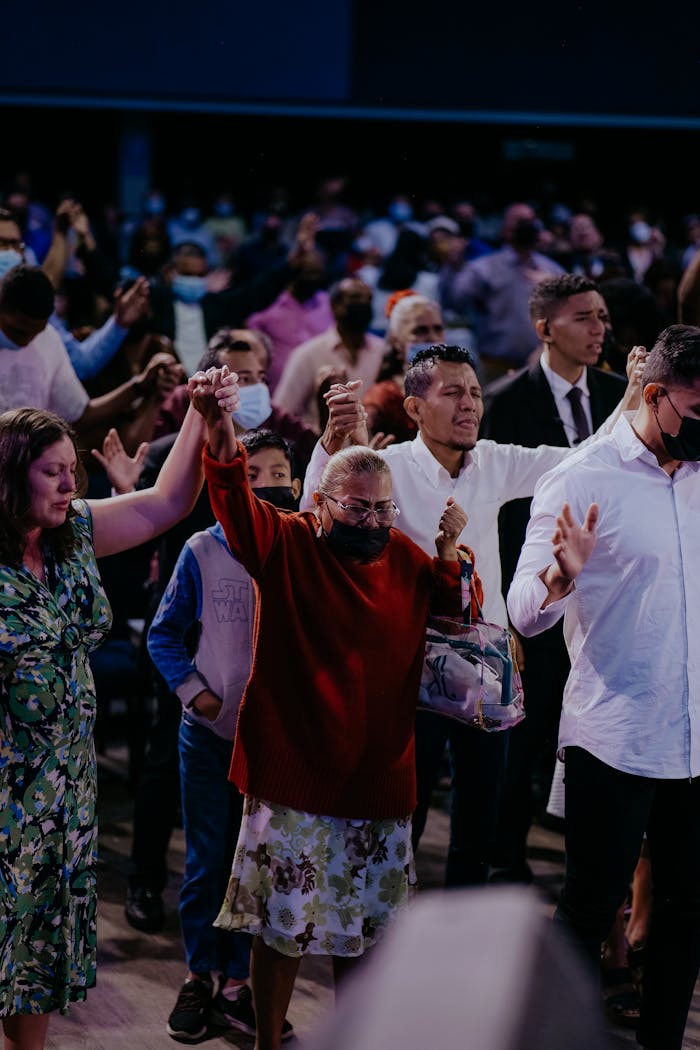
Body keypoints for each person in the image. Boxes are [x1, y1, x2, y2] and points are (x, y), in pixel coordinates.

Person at [188, 361, 477, 1050]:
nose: (373, 520)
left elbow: (463, 620)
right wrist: (217, 422)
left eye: (383, 509)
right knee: (280, 930)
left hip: (380, 779)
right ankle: (265, 1041)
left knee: (368, 932)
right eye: (357, 507)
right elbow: (230, 492)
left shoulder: (408, 557)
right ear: (320, 502)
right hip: (293, 774)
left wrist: (448, 554)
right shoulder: (285, 544)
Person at [302, 343, 642, 889]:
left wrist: (630, 394)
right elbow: (310, 515)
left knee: (482, 814)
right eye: (453, 392)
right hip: (404, 663)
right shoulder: (385, 470)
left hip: (486, 660)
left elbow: (583, 458)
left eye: (476, 392)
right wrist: (331, 443)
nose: (470, 405)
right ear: (414, 409)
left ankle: (463, 936)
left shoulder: (494, 460)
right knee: (401, 812)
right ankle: (384, 930)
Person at [0, 396, 220, 1050]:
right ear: (9, 478)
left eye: (73, 469)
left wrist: (202, 415)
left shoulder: (76, 533)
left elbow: (168, 502)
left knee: (32, 966)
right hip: (8, 802)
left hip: (64, 795)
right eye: (51, 471)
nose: (72, 483)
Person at [506, 323, 700, 1050]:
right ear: (653, 396)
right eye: (698, 413)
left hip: (696, 733)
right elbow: (523, 609)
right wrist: (563, 573)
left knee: (686, 912)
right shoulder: (582, 476)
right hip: (614, 733)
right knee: (587, 913)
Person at [147, 429, 300, 1044]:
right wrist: (197, 693)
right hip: (210, 738)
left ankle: (241, 982)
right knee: (209, 860)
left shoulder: (299, 545)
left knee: (258, 867)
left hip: (273, 745)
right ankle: (201, 974)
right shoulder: (201, 551)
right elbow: (164, 633)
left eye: (278, 472)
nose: (266, 483)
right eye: (252, 471)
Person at [480, 273, 630, 884]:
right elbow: (499, 510)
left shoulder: (623, 395)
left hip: (605, 596)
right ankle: (505, 862)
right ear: (545, 328)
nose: (599, 329)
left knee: (591, 734)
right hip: (537, 588)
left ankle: (591, 867)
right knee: (527, 729)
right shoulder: (504, 400)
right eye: (584, 318)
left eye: (602, 317)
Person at [0, 264, 182, 450]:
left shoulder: (49, 338)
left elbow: (78, 415)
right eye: (18, 331)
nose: (26, 341)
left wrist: (138, 386)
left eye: (36, 332)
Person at [437, 201, 566, 384]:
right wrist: (452, 266)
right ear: (506, 230)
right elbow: (454, 302)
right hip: (495, 368)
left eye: (531, 221)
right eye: (521, 222)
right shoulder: (484, 268)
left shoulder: (551, 269)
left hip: (544, 366)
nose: (528, 226)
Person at [272, 275, 385, 430]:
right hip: (323, 449)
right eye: (355, 298)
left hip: (371, 450)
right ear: (335, 306)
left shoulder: (382, 351)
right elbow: (284, 413)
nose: (363, 304)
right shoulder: (307, 354)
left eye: (368, 299)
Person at [244, 248, 334, 394]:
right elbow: (250, 340)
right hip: (280, 391)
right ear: (294, 273)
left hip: (321, 390)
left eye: (317, 273)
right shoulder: (269, 304)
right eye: (308, 272)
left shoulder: (328, 303)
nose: (312, 278)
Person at [362, 292, 445, 443]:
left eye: (438, 329)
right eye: (420, 331)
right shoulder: (382, 397)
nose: (433, 337)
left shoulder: (459, 387)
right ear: (397, 343)